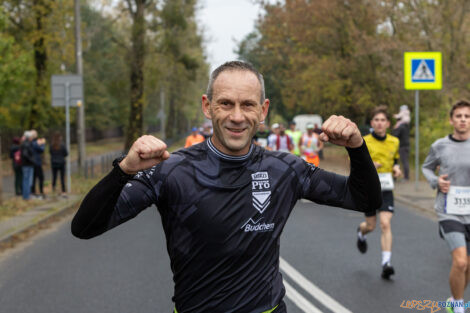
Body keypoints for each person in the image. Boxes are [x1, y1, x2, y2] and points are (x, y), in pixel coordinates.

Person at [71, 61, 381, 313]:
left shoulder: (285, 169)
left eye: (248, 105)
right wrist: (123, 170)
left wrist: (356, 146)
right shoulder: (171, 171)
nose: (236, 116)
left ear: (263, 110)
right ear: (207, 106)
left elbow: (364, 198)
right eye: (225, 104)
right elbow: (85, 227)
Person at [422, 100, 470, 313]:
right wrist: (436, 182)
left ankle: (453, 300)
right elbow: (426, 168)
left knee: (468, 265)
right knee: (460, 262)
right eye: (459, 116)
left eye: (467, 116)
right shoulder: (440, 145)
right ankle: (458, 307)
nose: (463, 120)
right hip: (448, 210)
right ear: (451, 120)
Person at [356, 105, 401, 280]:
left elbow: (395, 160)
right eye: (376, 120)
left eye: (383, 120)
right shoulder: (363, 140)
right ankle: (361, 232)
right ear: (372, 123)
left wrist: (397, 169)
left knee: (385, 224)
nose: (380, 123)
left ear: (388, 123)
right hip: (369, 189)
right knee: (371, 226)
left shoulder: (394, 142)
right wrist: (369, 166)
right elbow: (355, 166)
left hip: (387, 187)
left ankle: (386, 263)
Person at [392, 105, 411, 180]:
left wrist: (394, 129)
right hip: (405, 145)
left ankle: (406, 177)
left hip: (402, 146)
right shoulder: (406, 125)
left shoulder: (401, 126)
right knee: (404, 161)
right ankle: (405, 176)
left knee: (404, 161)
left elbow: (395, 135)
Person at [30, 129, 46, 199]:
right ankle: (40, 191)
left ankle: (33, 191)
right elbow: (41, 149)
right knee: (40, 177)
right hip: (37, 163)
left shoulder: (31, 142)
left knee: (34, 178)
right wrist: (43, 144)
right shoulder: (34, 143)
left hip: (33, 162)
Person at [20, 131, 35, 200]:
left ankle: (26, 195)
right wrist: (32, 160)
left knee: (26, 180)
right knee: (27, 180)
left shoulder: (24, 143)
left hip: (25, 164)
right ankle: (26, 196)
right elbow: (25, 154)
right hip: (27, 165)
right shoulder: (27, 144)